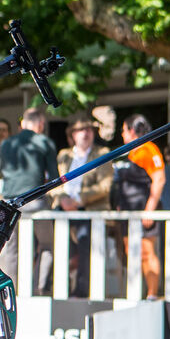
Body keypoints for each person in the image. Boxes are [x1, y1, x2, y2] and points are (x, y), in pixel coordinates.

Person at [0, 109, 59, 294]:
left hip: (9, 203)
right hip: (35, 202)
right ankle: (37, 287)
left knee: (10, 248)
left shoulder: (6, 144)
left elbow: (4, 173)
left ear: (24, 123)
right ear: (40, 124)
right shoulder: (44, 142)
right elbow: (54, 178)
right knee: (47, 245)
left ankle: (10, 290)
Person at [49, 115, 111, 297]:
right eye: (81, 130)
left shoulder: (102, 153)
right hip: (63, 209)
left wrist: (79, 201)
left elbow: (104, 187)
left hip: (88, 210)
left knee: (86, 251)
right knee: (60, 250)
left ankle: (82, 292)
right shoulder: (63, 155)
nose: (86, 133)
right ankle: (59, 290)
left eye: (89, 129)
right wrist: (62, 199)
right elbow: (53, 184)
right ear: (72, 135)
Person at [111, 113, 164, 299]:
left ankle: (151, 293)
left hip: (144, 209)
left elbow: (159, 178)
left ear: (132, 131)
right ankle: (135, 292)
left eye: (123, 130)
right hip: (128, 211)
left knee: (147, 252)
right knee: (131, 251)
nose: (122, 134)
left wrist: (150, 207)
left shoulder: (149, 149)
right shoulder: (131, 152)